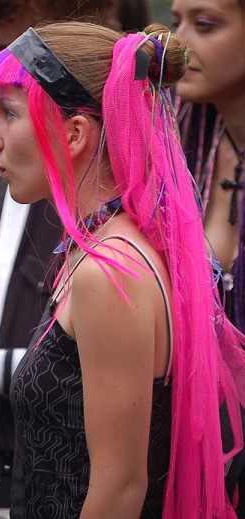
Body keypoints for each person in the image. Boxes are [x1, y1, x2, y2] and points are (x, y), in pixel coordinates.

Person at [0, 19, 245, 518]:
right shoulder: (102, 248)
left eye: (8, 114)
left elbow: (120, 488)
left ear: (76, 132)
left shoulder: (110, 270)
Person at [170, 0, 245, 515]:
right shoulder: (178, 141)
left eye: (204, 24)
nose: (178, 42)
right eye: (175, 21)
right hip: (196, 446)